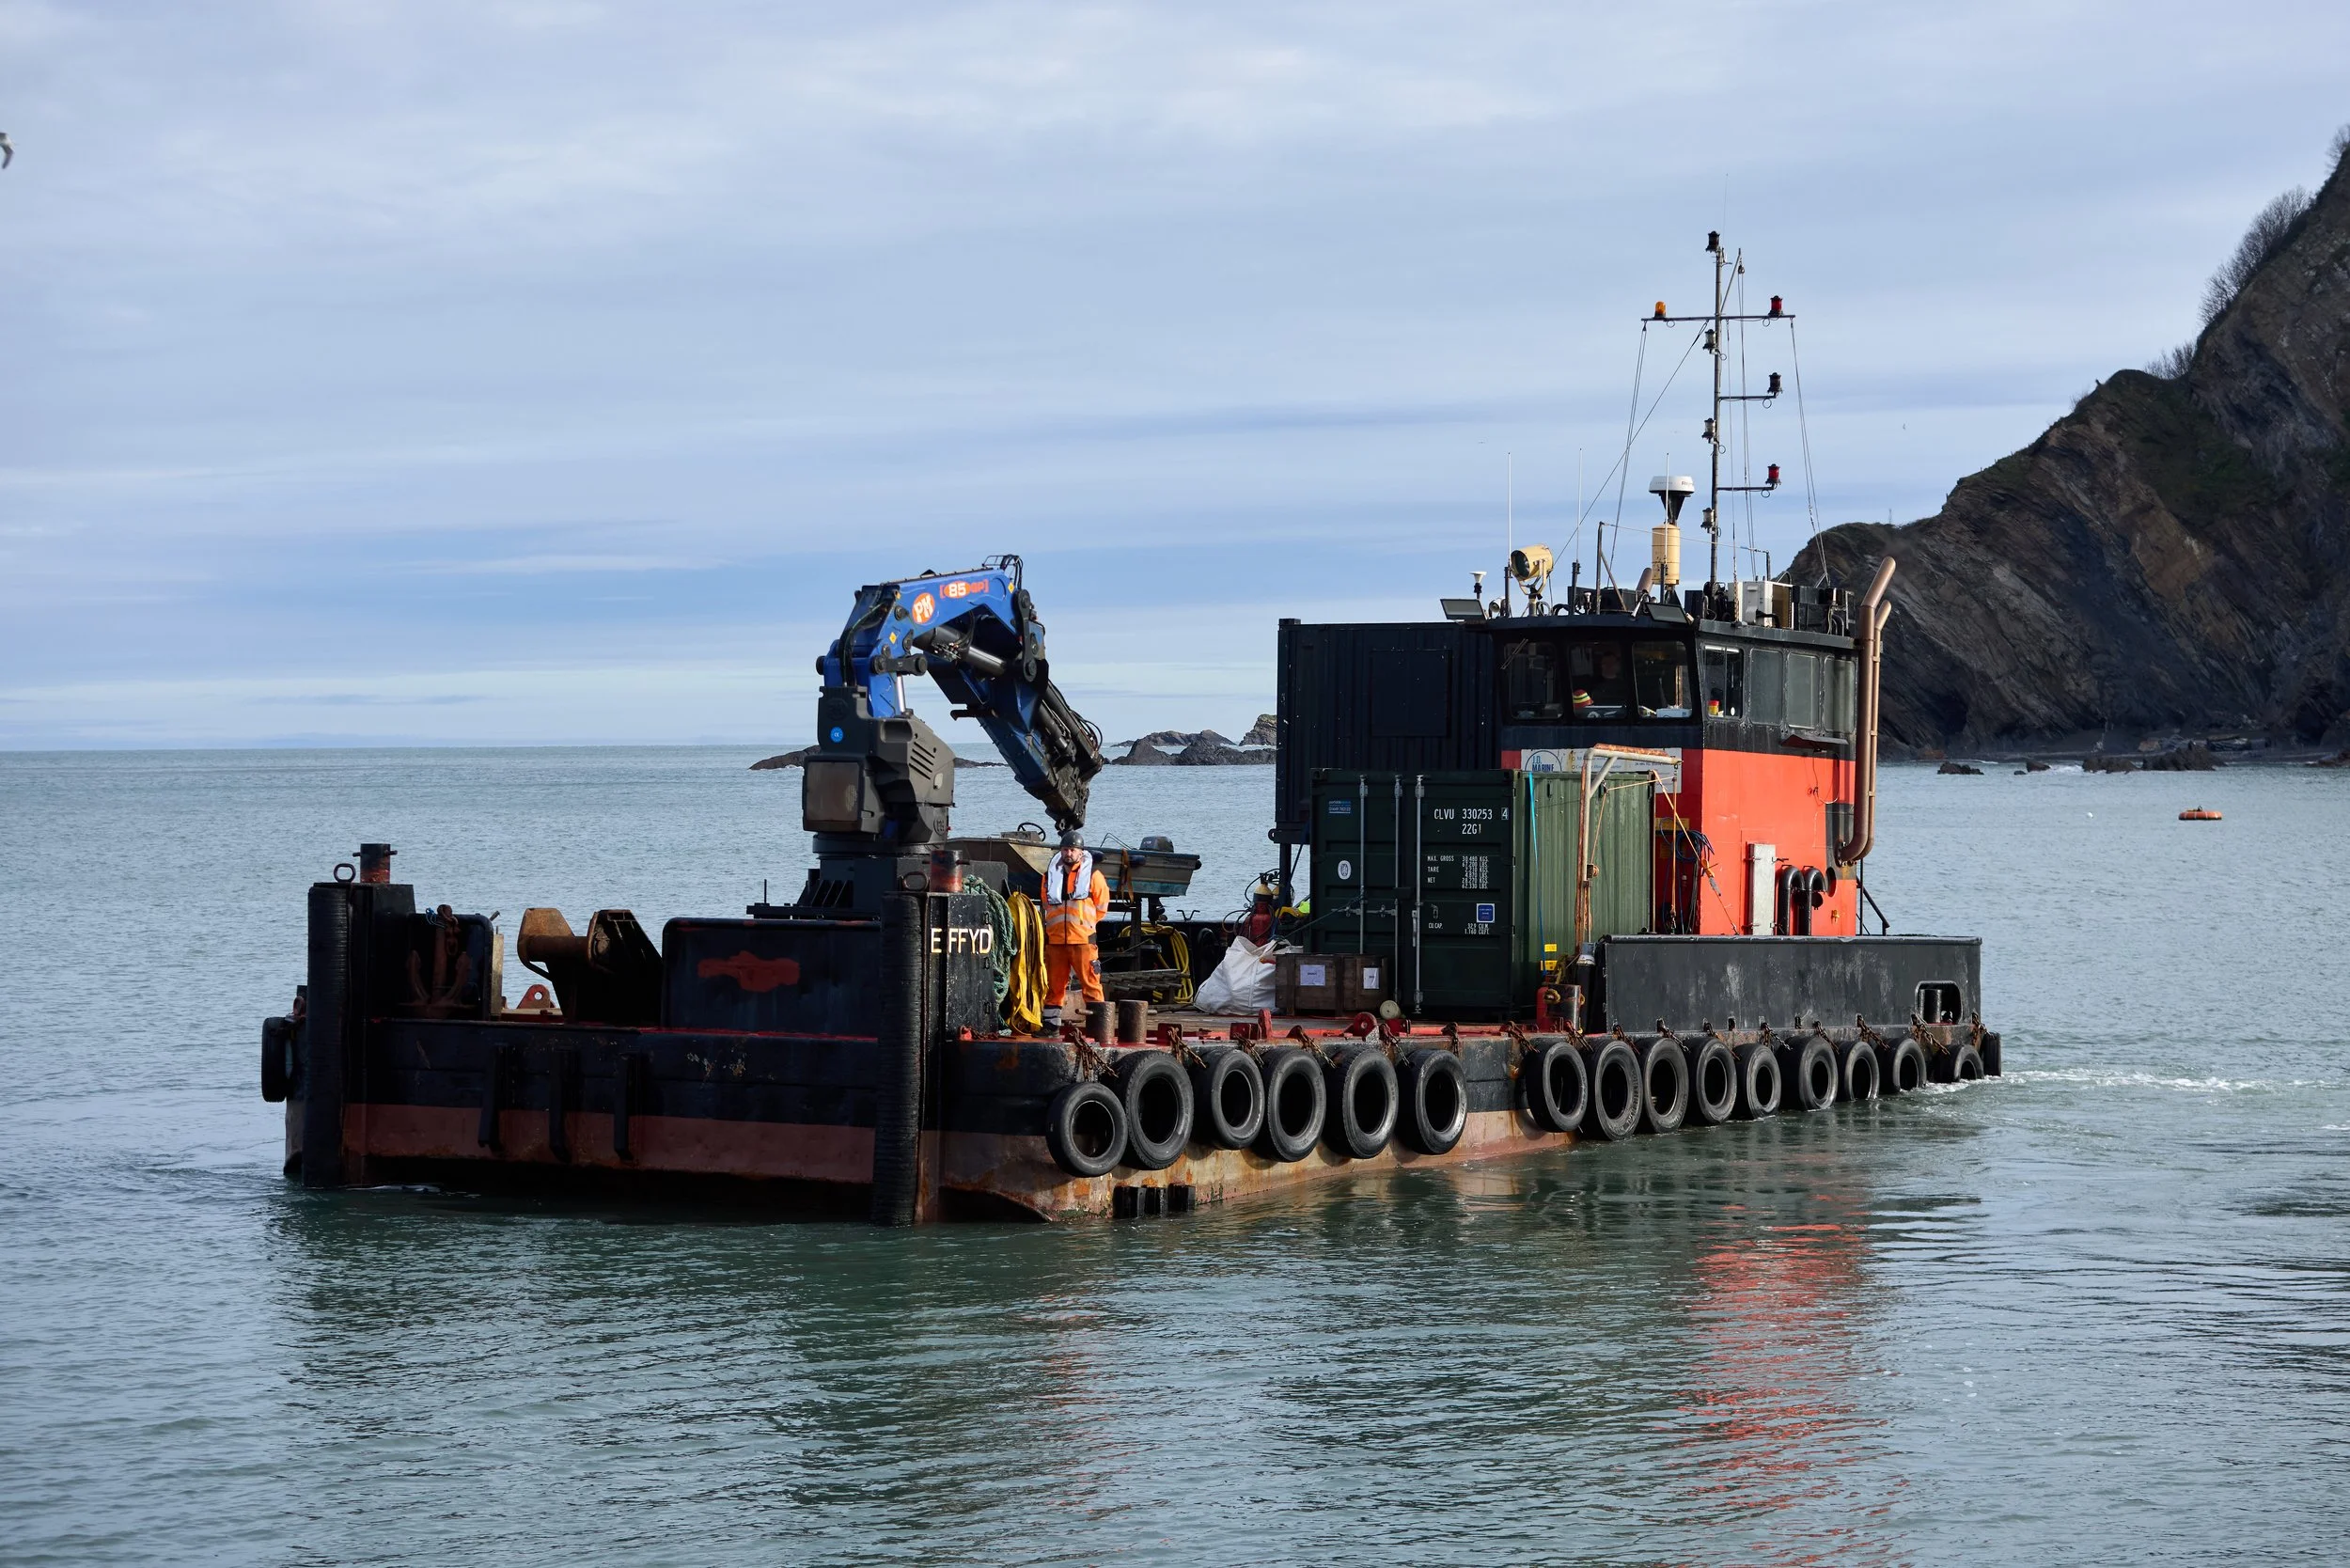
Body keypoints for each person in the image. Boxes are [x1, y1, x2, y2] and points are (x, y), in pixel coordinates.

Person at [1040, 829, 1111, 1029]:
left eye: (1072, 850)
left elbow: (1102, 906)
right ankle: (1050, 1028)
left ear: (1081, 852)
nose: (1068, 853)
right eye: (1065, 849)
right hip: (1056, 942)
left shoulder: (1093, 876)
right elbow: (1046, 903)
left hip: (1083, 941)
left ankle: (1099, 1030)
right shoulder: (1049, 876)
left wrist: (1084, 926)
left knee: (1091, 985)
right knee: (1054, 987)